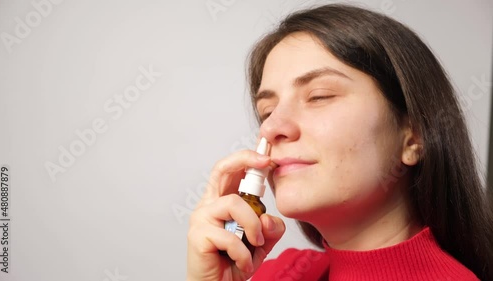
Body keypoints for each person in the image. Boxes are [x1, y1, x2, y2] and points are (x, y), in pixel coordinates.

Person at [187, 4, 493, 281]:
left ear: (414, 137)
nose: (271, 128)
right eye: (267, 111)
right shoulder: (283, 274)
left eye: (319, 96)